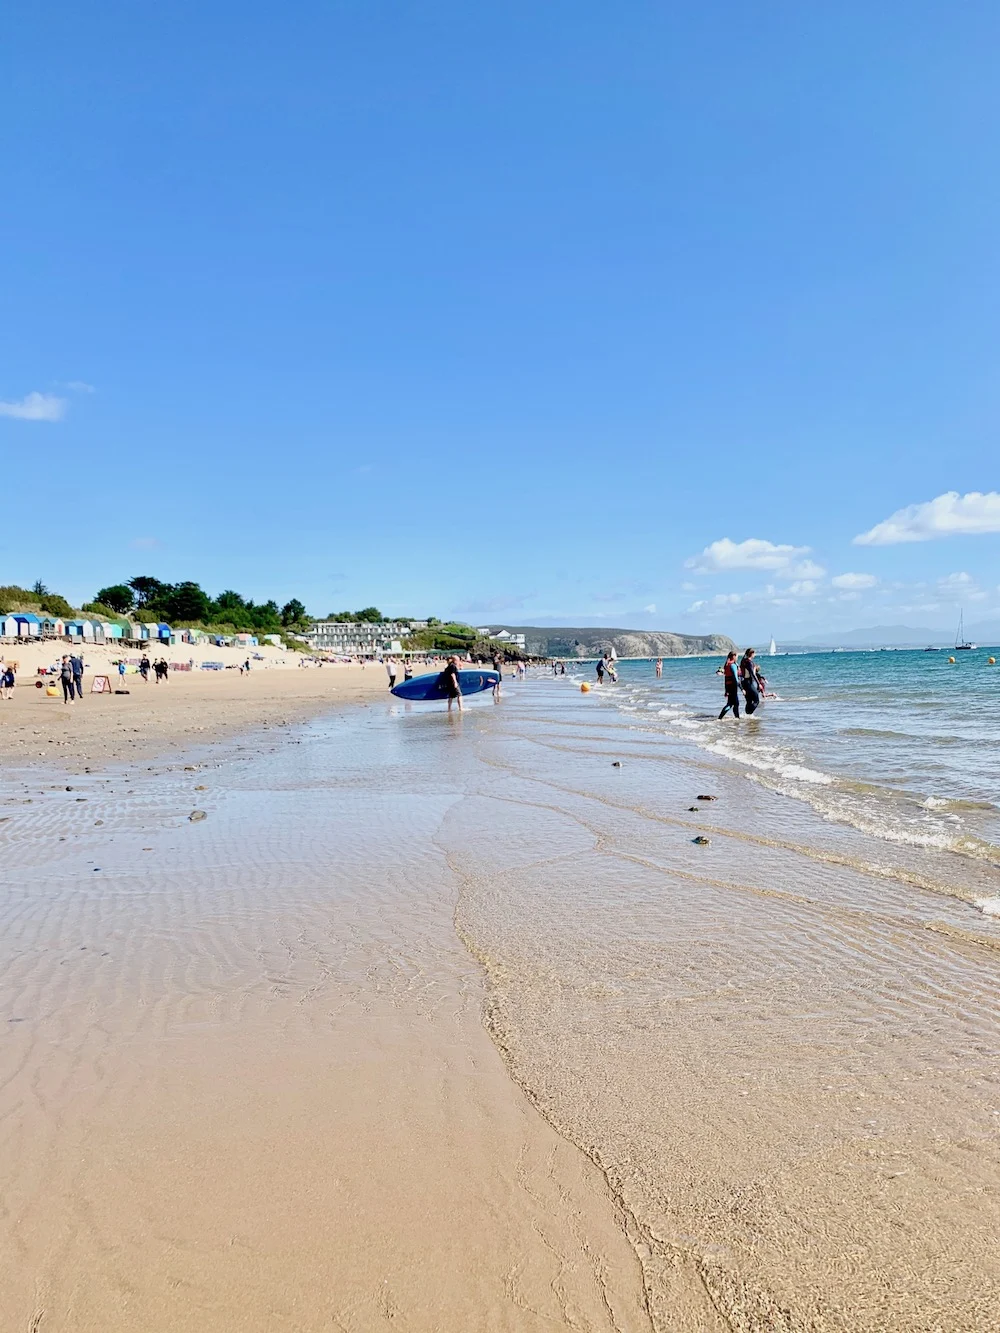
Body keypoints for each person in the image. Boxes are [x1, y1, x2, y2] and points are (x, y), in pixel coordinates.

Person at [739, 647, 766, 715]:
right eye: (754, 654)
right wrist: (758, 683)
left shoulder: (743, 661)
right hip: (748, 682)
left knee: (749, 700)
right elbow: (752, 674)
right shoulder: (749, 662)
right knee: (756, 700)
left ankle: (747, 716)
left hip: (743, 682)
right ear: (751, 654)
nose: (755, 655)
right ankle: (748, 714)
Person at [718, 651, 742, 719]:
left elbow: (726, 679)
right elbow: (736, 678)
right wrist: (742, 689)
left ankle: (720, 718)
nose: (737, 658)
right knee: (734, 704)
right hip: (733, 687)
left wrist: (726, 690)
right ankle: (737, 718)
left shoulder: (727, 665)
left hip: (729, 686)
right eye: (737, 656)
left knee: (731, 704)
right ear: (734, 656)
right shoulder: (733, 665)